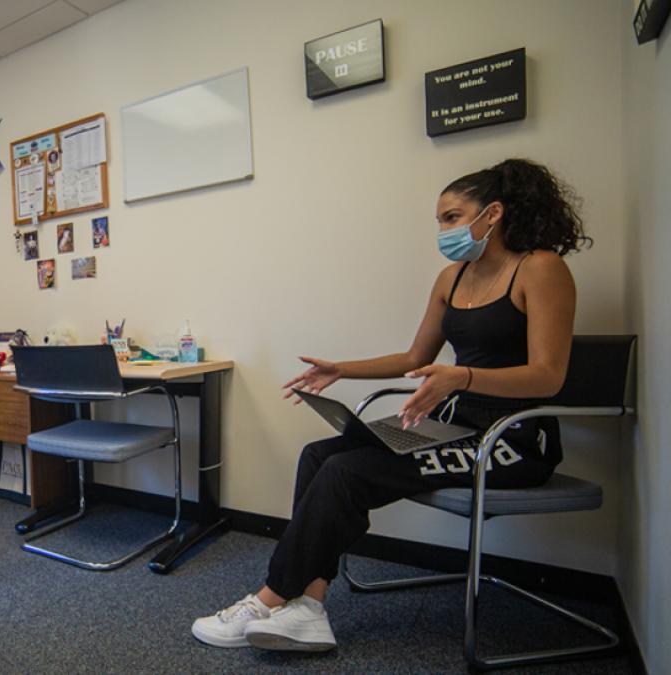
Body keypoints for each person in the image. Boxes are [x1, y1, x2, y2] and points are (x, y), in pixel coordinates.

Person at [192, 159, 590, 652]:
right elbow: (414, 357)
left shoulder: (541, 269)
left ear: (492, 214)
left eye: (451, 217)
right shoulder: (452, 278)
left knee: (346, 473)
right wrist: (342, 369)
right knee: (320, 455)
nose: (442, 229)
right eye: (440, 220)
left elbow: (549, 376)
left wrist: (461, 376)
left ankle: (270, 599)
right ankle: (310, 606)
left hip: (513, 442)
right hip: (458, 428)